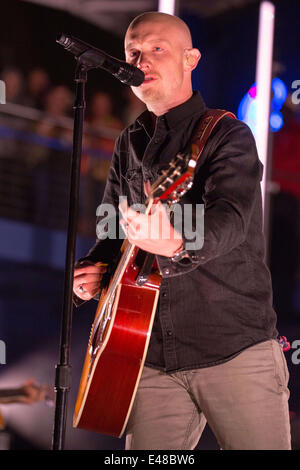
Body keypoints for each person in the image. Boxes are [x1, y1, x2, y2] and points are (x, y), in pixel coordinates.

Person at [73, 12, 291, 450]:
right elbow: (111, 227)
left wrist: (173, 239)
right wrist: (95, 266)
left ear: (191, 59)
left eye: (157, 49)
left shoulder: (228, 135)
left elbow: (230, 220)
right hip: (147, 357)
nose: (142, 60)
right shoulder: (127, 143)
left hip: (234, 349)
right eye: (133, 52)